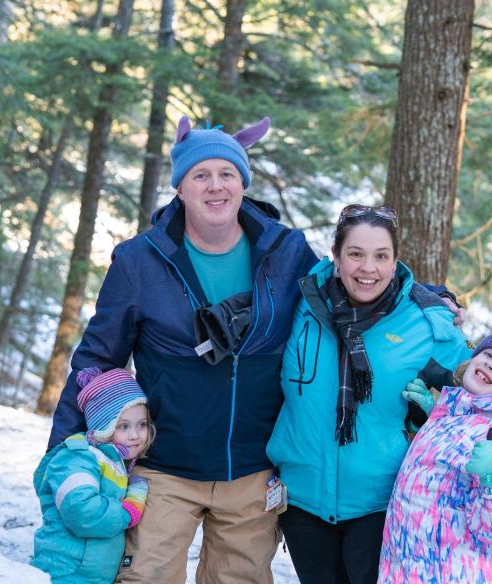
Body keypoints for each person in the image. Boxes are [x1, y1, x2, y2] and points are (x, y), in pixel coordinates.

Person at [47, 115, 319, 584]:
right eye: (201, 175)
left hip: (252, 471)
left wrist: (423, 296)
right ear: (180, 188)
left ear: (242, 183)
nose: (216, 187)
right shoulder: (139, 261)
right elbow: (97, 362)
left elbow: (348, 296)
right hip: (162, 467)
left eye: (227, 174)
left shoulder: (287, 252)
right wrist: (62, 456)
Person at [266, 204, 475, 583]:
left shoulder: (428, 323)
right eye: (356, 254)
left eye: (381, 256)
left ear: (396, 261)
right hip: (301, 500)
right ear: (336, 257)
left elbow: (483, 397)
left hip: (384, 503)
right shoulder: (298, 305)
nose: (368, 268)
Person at [377, 321, 492, 583]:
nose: (491, 364)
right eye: (489, 354)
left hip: (455, 573)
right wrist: (430, 417)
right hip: (406, 567)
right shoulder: (450, 413)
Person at [32, 367, 154, 583]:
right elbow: (82, 513)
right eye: (123, 426)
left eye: (142, 424)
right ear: (103, 427)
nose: (135, 435)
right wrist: (128, 511)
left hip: (94, 575)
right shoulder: (78, 458)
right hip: (64, 572)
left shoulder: (117, 463)